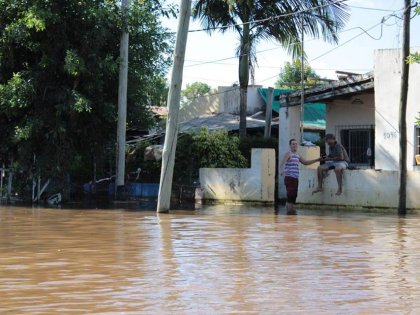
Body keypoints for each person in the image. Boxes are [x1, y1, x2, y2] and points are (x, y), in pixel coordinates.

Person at [280, 139, 322, 214]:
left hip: (295, 178)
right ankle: (290, 214)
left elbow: (305, 162)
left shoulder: (297, 155)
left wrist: (317, 160)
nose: (295, 145)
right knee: (290, 196)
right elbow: (283, 162)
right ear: (290, 145)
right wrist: (282, 170)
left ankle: (289, 213)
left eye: (296, 144)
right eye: (293, 144)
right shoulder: (288, 154)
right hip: (289, 177)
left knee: (293, 196)